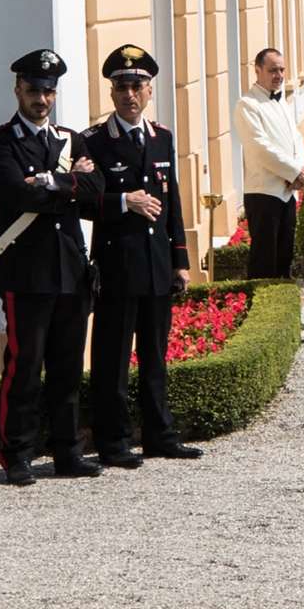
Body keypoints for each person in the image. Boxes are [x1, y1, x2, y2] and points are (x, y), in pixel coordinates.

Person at [0, 50, 102, 485]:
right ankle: (17, 454)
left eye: (49, 91)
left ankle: (68, 452)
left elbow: (95, 192)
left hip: (71, 268)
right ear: (18, 90)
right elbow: (16, 196)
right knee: (24, 366)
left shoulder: (71, 140)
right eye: (34, 90)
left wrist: (50, 182)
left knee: (68, 368)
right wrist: (70, 182)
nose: (42, 99)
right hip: (26, 273)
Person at [80, 47, 202, 467]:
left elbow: (174, 204)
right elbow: (82, 199)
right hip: (117, 265)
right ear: (111, 93)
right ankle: (113, 442)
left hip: (156, 264)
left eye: (137, 86)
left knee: (154, 356)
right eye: (121, 87)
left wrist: (181, 260)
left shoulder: (162, 137)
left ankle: (159, 434)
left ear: (149, 90)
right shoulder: (93, 141)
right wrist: (122, 201)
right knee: (112, 359)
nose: (129, 94)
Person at [233, 47, 304, 281]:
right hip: (264, 193)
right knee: (264, 262)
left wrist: (301, 170)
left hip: (287, 193)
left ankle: (284, 314)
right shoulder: (247, 104)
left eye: (282, 70)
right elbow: (260, 147)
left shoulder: (281, 101)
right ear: (257, 70)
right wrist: (294, 172)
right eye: (273, 70)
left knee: (285, 260)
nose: (279, 75)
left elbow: (296, 140)